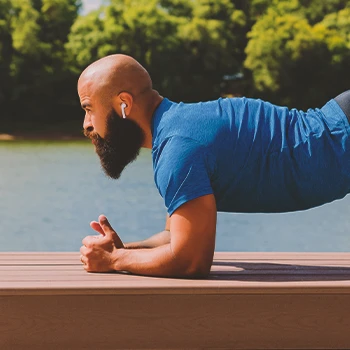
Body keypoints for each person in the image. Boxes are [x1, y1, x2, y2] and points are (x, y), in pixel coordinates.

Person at [78, 54, 350, 278]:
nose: (86, 124)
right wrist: (123, 250)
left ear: (124, 103)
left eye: (89, 108)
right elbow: (174, 238)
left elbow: (191, 261)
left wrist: (115, 260)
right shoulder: (175, 133)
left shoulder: (178, 150)